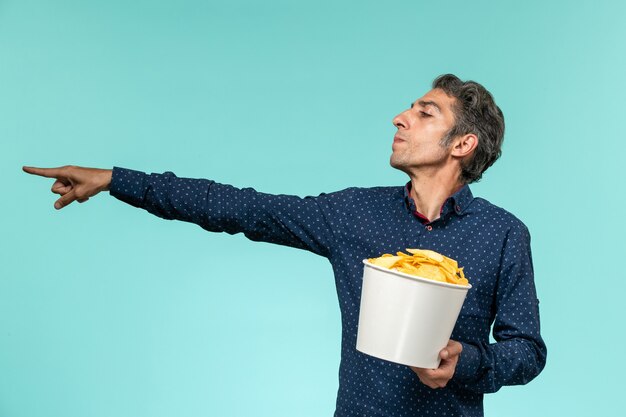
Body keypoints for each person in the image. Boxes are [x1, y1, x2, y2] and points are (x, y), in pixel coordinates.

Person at [23, 74, 547, 416]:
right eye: (409, 108)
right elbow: (237, 207)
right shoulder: (354, 213)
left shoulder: (502, 235)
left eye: (425, 113)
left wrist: (468, 362)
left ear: (462, 144)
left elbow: (527, 351)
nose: (400, 118)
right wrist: (117, 178)